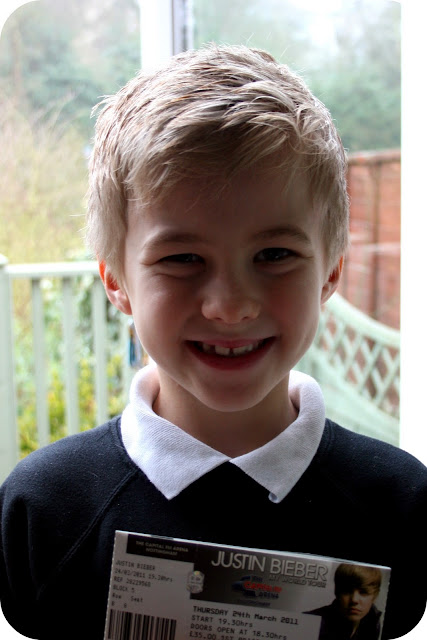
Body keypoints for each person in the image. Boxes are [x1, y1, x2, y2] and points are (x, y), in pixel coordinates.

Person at [0, 44, 425, 640]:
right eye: (182, 259)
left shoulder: (400, 505)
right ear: (116, 281)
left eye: (274, 254)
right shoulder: (41, 512)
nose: (230, 305)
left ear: (330, 272)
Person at [307, 564, 383, 640]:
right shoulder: (310, 621)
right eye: (347, 591)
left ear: (375, 596)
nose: (354, 600)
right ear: (337, 592)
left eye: (363, 592)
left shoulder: (373, 622)